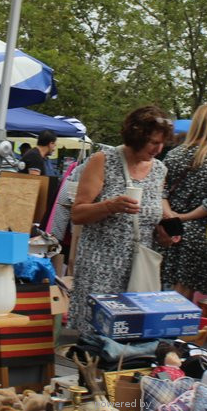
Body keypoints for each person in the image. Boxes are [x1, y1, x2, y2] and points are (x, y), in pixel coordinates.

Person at [68, 105, 176, 329]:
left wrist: (163, 232)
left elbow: (150, 215)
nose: (159, 148)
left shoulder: (160, 170)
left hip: (138, 265)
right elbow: (77, 213)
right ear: (137, 137)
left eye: (162, 143)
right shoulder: (103, 160)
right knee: (96, 337)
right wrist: (109, 206)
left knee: (132, 335)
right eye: (153, 142)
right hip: (100, 267)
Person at [161, 105, 207, 299]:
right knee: (188, 289)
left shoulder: (173, 155)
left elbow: (162, 192)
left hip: (170, 229)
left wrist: (172, 217)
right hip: (206, 231)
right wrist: (185, 218)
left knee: (166, 280)